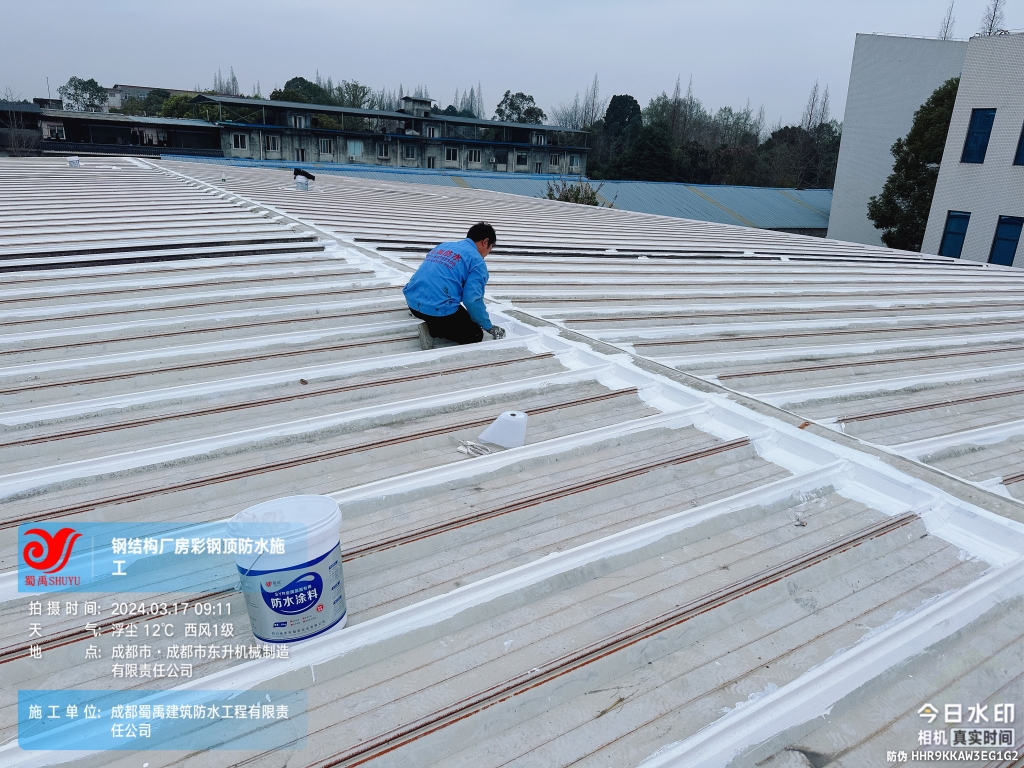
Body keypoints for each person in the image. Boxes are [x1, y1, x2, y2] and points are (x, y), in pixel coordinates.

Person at [403, 222, 507, 347]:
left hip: (412, 303)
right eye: (490, 248)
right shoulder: (477, 261)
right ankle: (433, 330)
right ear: (485, 242)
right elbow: (472, 300)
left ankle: (434, 320)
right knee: (475, 334)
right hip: (435, 310)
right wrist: (488, 326)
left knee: (464, 316)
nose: (488, 252)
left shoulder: (443, 246)